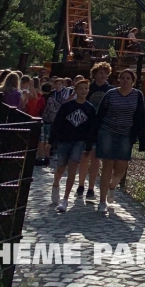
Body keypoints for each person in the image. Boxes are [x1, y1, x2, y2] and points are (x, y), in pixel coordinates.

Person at [93, 68, 145, 213]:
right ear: (119, 80)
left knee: (121, 167)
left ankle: (112, 186)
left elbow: (141, 117)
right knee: (107, 166)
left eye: (128, 78)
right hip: (108, 132)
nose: (125, 80)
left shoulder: (137, 95)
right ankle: (102, 201)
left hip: (126, 134)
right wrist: (93, 135)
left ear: (133, 81)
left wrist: (142, 140)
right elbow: (100, 114)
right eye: (123, 78)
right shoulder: (110, 94)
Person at [50, 79, 97, 213]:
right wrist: (51, 141)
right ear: (75, 90)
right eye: (81, 88)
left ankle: (65, 199)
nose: (83, 91)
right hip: (65, 140)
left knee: (72, 168)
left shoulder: (90, 109)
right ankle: (55, 185)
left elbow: (91, 129)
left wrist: (88, 146)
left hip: (79, 142)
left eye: (86, 88)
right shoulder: (66, 107)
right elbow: (57, 124)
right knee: (60, 167)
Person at [76, 62, 112, 201]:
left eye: (105, 73)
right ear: (95, 74)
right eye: (100, 73)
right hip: (87, 125)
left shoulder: (110, 90)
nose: (103, 75)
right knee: (84, 157)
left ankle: (91, 188)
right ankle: (80, 185)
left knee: (96, 159)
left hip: (102, 127)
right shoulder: (88, 88)